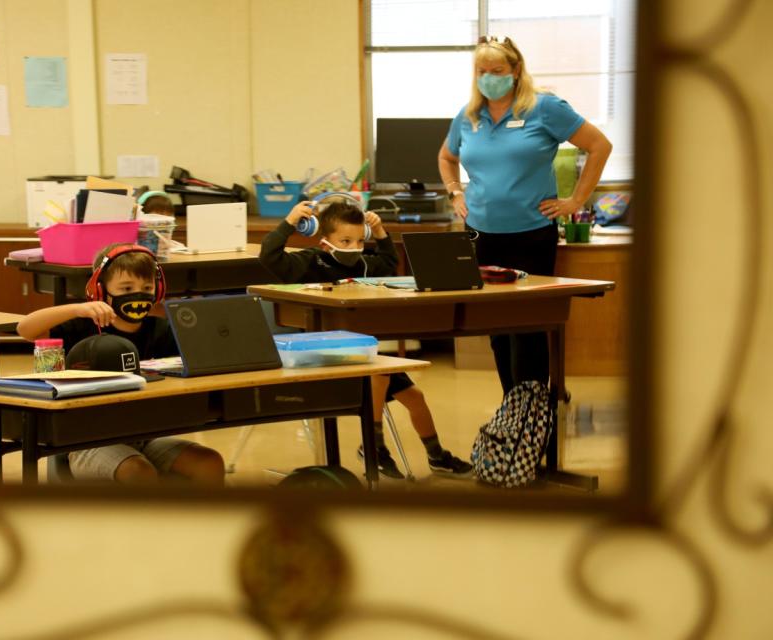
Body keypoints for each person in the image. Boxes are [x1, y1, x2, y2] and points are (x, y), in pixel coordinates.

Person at [438, 35, 612, 394]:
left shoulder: (544, 108)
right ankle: (511, 404)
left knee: (529, 328)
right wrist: (455, 192)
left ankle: (533, 407)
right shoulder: (469, 115)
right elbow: (446, 157)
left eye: (497, 70)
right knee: (498, 329)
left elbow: (599, 146)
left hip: (531, 234)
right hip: (482, 233)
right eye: (481, 71)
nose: (488, 77)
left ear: (515, 71)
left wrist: (575, 200)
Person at [259, 198, 473, 479]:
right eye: (345, 241)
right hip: (319, 354)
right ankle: (375, 447)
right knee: (378, 375)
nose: (353, 248)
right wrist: (289, 224)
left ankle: (437, 456)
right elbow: (269, 257)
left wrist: (381, 233)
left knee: (415, 397)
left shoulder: (363, 265)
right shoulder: (310, 261)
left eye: (360, 241)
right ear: (325, 241)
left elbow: (388, 262)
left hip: (359, 352)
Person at [16, 243, 225, 486]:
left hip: (146, 435)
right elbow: (25, 329)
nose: (138, 293)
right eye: (126, 288)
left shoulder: (162, 330)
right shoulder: (84, 327)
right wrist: (77, 309)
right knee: (137, 471)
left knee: (209, 462)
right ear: (100, 290)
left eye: (147, 287)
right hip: (88, 441)